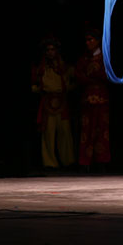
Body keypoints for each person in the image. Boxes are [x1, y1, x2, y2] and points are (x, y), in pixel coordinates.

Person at [31, 36, 76, 170]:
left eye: (52, 49)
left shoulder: (64, 67)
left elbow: (75, 81)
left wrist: (67, 89)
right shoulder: (41, 68)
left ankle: (68, 161)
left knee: (65, 132)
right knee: (48, 133)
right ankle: (50, 163)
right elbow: (33, 84)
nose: (50, 52)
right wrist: (40, 90)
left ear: (57, 51)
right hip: (47, 102)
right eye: (48, 50)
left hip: (62, 102)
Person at [76, 28, 111, 172]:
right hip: (87, 99)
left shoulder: (104, 57)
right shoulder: (84, 59)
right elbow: (78, 75)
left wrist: (93, 75)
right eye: (86, 40)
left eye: (91, 40)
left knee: (102, 131)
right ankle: (85, 163)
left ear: (97, 41)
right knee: (87, 131)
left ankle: (102, 162)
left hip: (101, 99)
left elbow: (107, 75)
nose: (88, 43)